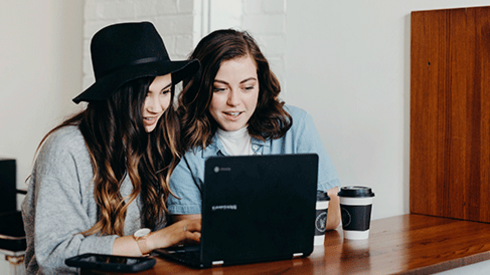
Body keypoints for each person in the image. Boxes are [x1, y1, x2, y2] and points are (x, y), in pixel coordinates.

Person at [21, 22, 201, 274]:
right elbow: (55, 254)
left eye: (165, 91)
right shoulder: (66, 148)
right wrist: (154, 241)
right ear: (115, 93)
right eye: (145, 94)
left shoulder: (152, 141)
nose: (157, 106)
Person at [167, 29, 341, 230]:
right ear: (201, 89)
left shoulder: (295, 125)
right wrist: (283, 215)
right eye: (220, 89)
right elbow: (189, 229)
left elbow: (332, 212)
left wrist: (246, 222)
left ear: (260, 84)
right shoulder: (181, 142)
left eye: (247, 87)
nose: (234, 101)